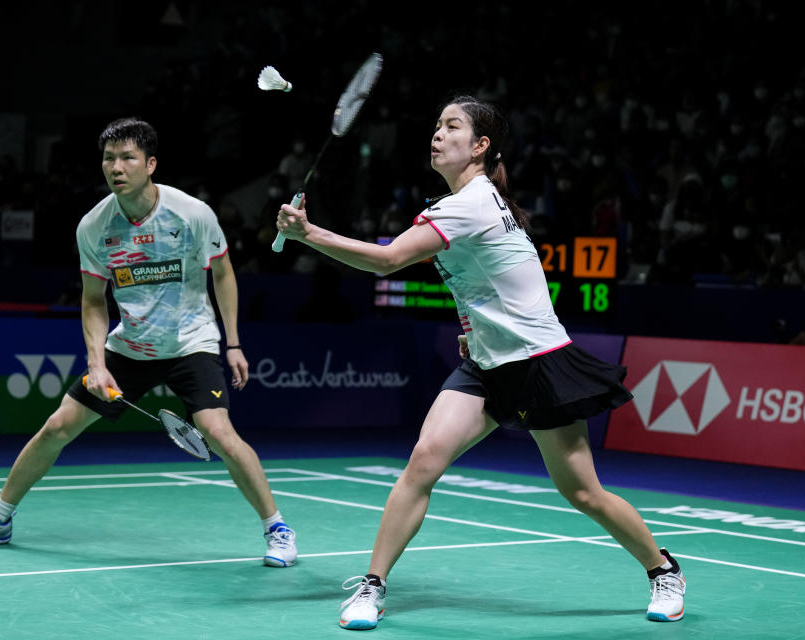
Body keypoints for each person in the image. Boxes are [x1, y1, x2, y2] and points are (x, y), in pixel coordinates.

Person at [275, 96, 685, 628]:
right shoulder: (478, 199)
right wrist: (473, 330)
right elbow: (481, 284)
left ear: (480, 146)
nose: (438, 134)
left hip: (538, 365)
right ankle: (372, 587)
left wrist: (309, 233)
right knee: (423, 462)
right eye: (436, 125)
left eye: (452, 127)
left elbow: (389, 261)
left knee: (583, 492)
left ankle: (663, 570)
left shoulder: (468, 204)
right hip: (486, 367)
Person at [0, 118, 297, 568]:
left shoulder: (192, 214)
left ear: (150, 164)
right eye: (109, 158)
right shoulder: (94, 227)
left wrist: (234, 343)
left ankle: (277, 528)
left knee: (220, 433)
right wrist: (97, 363)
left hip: (191, 342)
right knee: (56, 428)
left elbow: (222, 273)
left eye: (127, 157)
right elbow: (93, 300)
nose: (116, 167)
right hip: (130, 347)